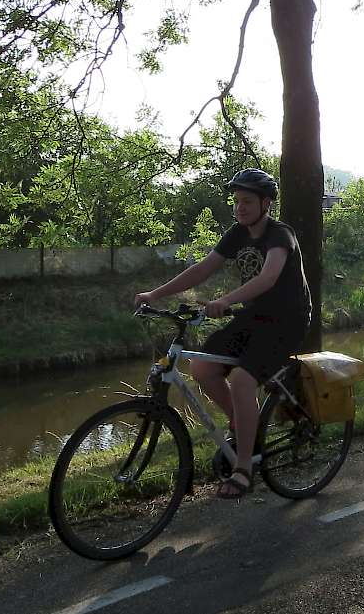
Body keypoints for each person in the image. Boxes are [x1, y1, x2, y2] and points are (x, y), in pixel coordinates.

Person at [135, 168, 311, 500]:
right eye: (236, 201)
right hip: (254, 316)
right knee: (202, 368)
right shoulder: (236, 233)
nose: (240, 208)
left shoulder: (280, 234)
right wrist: (155, 294)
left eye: (247, 202)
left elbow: (269, 277)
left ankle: (244, 468)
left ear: (266, 204)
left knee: (243, 380)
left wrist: (226, 300)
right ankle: (243, 426)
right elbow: (202, 268)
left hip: (287, 321)